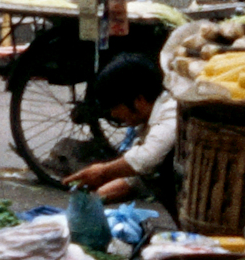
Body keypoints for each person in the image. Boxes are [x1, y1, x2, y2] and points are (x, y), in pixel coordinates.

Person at [68, 54, 177, 213]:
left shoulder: (170, 111)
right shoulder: (147, 124)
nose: (113, 114)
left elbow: (146, 159)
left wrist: (102, 172)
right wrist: (86, 203)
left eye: (114, 106)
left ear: (138, 100)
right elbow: (131, 182)